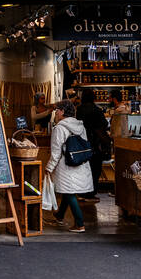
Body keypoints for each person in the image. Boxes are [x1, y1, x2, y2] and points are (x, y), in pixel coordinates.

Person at [45, 99, 93, 233]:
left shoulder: (59, 128)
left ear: (62, 112)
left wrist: (49, 168)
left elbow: (56, 153)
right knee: (67, 190)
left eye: (57, 111)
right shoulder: (80, 126)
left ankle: (80, 223)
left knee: (69, 193)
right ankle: (60, 215)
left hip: (66, 165)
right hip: (79, 163)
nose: (55, 114)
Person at [76, 89, 111, 203]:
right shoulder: (97, 110)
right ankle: (90, 194)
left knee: (83, 168)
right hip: (95, 144)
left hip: (82, 142)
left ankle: (81, 192)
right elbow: (105, 124)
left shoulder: (80, 110)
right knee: (95, 169)